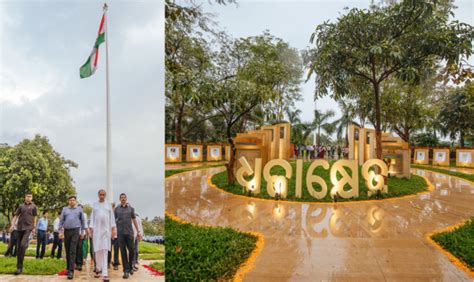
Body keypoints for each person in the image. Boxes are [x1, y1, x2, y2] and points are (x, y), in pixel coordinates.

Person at [90, 189, 117, 282]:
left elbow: (112, 218)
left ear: (105, 195)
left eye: (103, 195)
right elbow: (92, 217)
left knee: (105, 250)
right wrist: (91, 229)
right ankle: (98, 268)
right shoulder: (95, 205)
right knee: (97, 251)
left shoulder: (108, 205)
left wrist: (113, 229)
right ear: (98, 195)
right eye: (100, 194)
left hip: (106, 231)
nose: (102, 196)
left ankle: (105, 274)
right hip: (97, 231)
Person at [9, 192, 37, 275]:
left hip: (28, 228)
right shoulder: (21, 206)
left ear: (32, 198)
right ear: (25, 197)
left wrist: (34, 227)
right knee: (19, 248)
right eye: (27, 196)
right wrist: (12, 225)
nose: (29, 198)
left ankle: (20, 266)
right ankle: (19, 267)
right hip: (19, 228)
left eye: (30, 196)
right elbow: (16, 216)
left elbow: (35, 217)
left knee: (22, 245)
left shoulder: (34, 207)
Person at [115, 193, 142, 278]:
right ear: (119, 199)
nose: (123, 199)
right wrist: (113, 230)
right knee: (123, 252)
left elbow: (134, 220)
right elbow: (113, 220)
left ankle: (130, 266)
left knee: (132, 250)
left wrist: (138, 231)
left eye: (124, 197)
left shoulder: (131, 209)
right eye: (121, 197)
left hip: (130, 233)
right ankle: (125, 271)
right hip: (120, 234)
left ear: (126, 199)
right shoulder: (116, 209)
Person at [59, 195, 86, 280]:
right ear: (68, 201)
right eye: (70, 200)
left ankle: (71, 271)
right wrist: (60, 232)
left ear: (75, 201)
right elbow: (61, 220)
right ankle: (68, 268)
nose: (72, 201)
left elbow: (83, 221)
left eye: (73, 200)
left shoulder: (79, 209)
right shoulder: (64, 209)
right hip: (67, 231)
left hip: (75, 231)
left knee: (72, 250)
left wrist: (82, 232)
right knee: (67, 250)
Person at [75, 204, 88, 271]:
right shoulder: (75, 214)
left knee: (80, 248)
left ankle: (79, 264)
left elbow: (85, 224)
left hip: (81, 234)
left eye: (81, 208)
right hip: (75, 233)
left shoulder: (84, 215)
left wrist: (83, 233)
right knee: (75, 248)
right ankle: (75, 263)